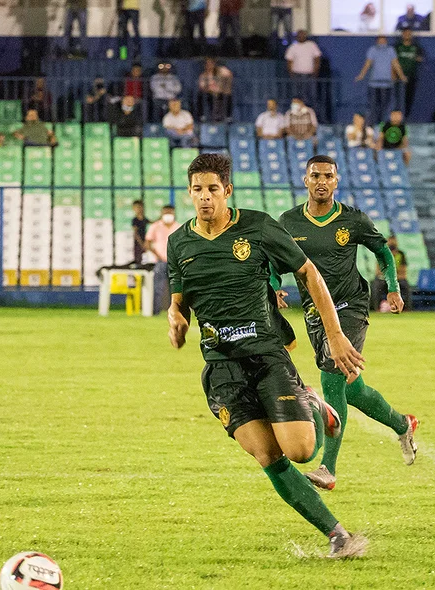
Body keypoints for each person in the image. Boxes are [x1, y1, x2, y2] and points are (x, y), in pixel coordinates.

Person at [166, 153, 366, 557]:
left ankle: (311, 402)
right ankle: (338, 536)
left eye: (212, 190)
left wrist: (335, 335)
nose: (205, 198)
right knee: (267, 454)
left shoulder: (257, 227)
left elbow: (308, 272)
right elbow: (179, 299)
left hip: (266, 356)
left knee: (301, 451)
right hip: (220, 367)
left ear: (227, 191)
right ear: (189, 193)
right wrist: (176, 319)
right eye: (197, 190)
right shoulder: (178, 242)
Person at [276, 154, 419, 492]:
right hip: (314, 313)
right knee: (352, 390)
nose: (322, 181)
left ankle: (328, 467)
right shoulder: (289, 222)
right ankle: (403, 423)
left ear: (337, 181)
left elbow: (382, 251)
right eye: (315, 175)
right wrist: (273, 287)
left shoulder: (353, 220)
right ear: (306, 180)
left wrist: (394, 288)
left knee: (332, 376)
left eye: (328, 175)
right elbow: (271, 259)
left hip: (351, 306)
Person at [355, 36, 407, 127]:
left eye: (384, 40)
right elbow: (368, 63)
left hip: (387, 84)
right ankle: (372, 125)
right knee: (373, 107)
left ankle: (384, 126)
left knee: (386, 106)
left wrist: (402, 76)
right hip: (374, 84)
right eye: (380, 40)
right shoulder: (372, 50)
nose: (382, 42)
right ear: (377, 41)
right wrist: (361, 75)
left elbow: (395, 63)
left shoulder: (391, 50)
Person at [144, 204, 181, 312]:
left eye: (170, 213)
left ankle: (175, 311)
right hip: (160, 261)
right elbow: (147, 244)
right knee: (158, 288)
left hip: (174, 262)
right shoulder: (155, 226)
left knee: (175, 289)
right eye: (166, 213)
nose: (168, 215)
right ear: (161, 213)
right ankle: (155, 311)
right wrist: (157, 254)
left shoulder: (178, 227)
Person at [371, 235, 411, 309]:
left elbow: (403, 273)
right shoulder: (382, 253)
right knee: (375, 285)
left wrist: (392, 277)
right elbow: (378, 271)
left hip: (397, 279)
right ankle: (376, 308)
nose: (392, 243)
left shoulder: (401, 254)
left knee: (406, 286)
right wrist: (389, 276)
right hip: (383, 279)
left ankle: (407, 308)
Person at [285, 29, 322, 109]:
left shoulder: (311, 45)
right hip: (297, 75)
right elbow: (289, 61)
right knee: (296, 96)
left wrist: (315, 71)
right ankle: (295, 113)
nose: (301, 36)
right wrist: (291, 74)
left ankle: (313, 115)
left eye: (303, 35)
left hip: (310, 75)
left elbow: (317, 58)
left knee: (312, 96)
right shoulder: (293, 47)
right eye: (299, 35)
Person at [394, 29, 423, 117]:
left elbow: (420, 58)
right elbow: (393, 61)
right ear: (402, 35)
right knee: (398, 98)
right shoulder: (398, 47)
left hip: (411, 75)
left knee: (409, 97)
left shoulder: (416, 47)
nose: (407, 35)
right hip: (399, 77)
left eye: (409, 34)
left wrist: (417, 58)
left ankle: (406, 116)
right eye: (405, 34)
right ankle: (397, 116)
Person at [197, 58, 233, 122]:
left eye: (211, 63)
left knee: (227, 95)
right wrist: (209, 89)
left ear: (214, 64)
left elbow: (229, 74)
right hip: (209, 93)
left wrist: (223, 88)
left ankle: (228, 117)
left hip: (221, 92)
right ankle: (202, 116)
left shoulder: (220, 71)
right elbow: (202, 87)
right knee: (201, 95)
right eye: (207, 64)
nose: (209, 65)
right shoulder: (203, 75)